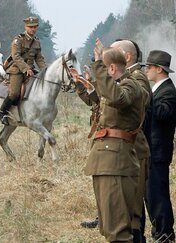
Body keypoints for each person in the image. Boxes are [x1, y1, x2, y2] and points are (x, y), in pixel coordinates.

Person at [81, 39, 152, 243]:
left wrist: (99, 68)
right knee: (112, 224)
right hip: (109, 157)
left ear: (111, 67)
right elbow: (106, 101)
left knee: (122, 227)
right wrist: (87, 86)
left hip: (118, 158)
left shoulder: (134, 81)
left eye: (103, 66)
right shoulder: (122, 84)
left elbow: (118, 99)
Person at [145, 50, 176, 242]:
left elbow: (164, 114)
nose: (147, 71)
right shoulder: (159, 89)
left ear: (159, 69)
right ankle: (159, 230)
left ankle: (165, 233)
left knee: (158, 194)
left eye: (149, 67)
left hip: (158, 151)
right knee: (151, 194)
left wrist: (147, 95)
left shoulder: (169, 91)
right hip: (152, 150)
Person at [0, 16, 46, 125]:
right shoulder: (18, 40)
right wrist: (25, 68)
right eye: (30, 27)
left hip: (30, 71)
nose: (32, 29)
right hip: (17, 70)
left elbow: (39, 59)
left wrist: (45, 71)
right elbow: (16, 57)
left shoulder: (37, 42)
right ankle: (2, 112)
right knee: (14, 93)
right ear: (26, 27)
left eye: (34, 27)